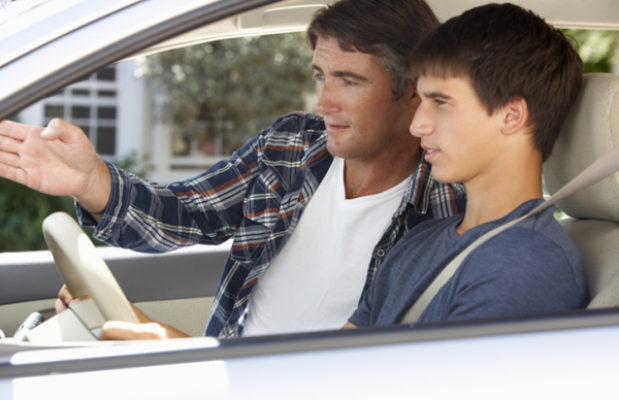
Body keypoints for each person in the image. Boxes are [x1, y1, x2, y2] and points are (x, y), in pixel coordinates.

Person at [0, 0, 465, 339]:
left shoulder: (447, 207)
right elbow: (186, 213)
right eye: (321, 76)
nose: (323, 103)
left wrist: (163, 341)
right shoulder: (291, 145)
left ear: (411, 90)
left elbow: (368, 370)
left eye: (349, 79)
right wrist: (91, 181)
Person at [346, 3, 589, 329]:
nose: (418, 125)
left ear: (512, 115)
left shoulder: (521, 266)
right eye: (421, 100)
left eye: (441, 102)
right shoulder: (421, 240)